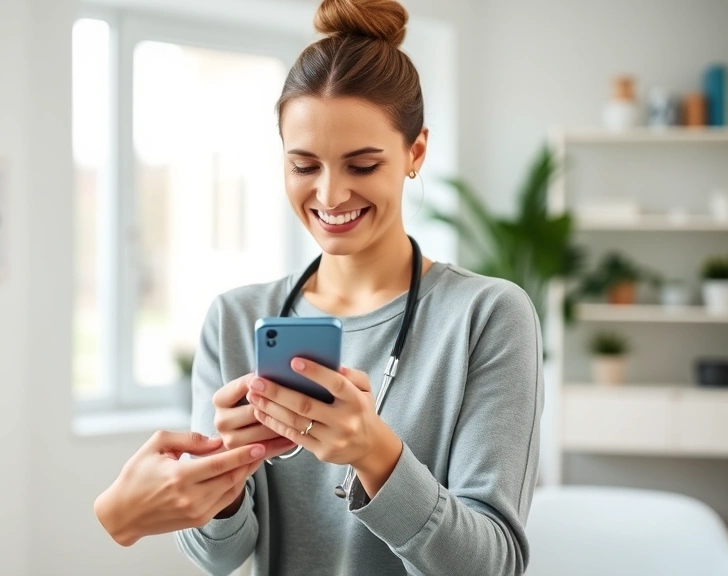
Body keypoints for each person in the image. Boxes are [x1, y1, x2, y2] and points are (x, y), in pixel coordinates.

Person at [94, 0, 543, 574]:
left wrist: (373, 452)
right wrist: (227, 481)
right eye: (304, 166)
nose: (330, 196)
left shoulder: (487, 317)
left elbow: (493, 564)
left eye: (361, 166)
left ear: (416, 153)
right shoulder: (237, 318)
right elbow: (219, 557)